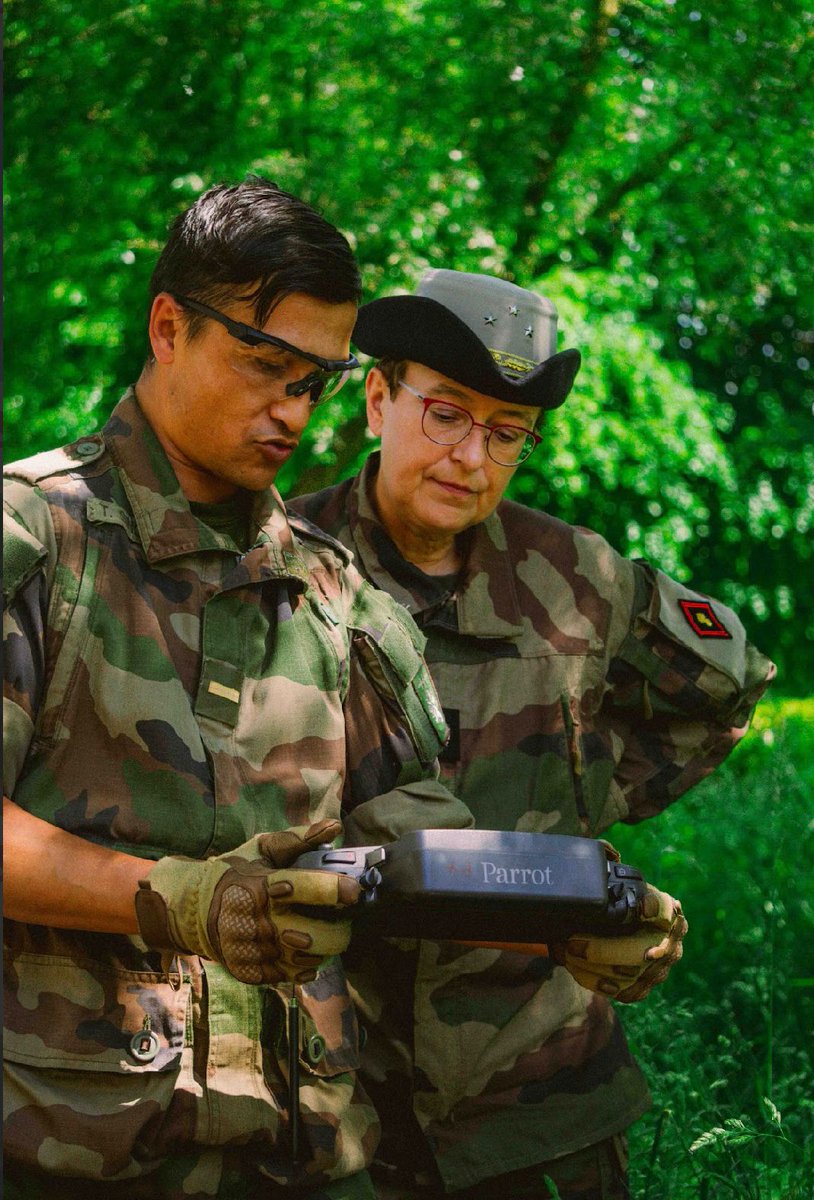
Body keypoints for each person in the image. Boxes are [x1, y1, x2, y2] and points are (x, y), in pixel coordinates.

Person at [2, 183, 471, 1200]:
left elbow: (412, 839)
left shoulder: (335, 590)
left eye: (321, 382)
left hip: (307, 1152)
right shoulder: (39, 541)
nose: (295, 410)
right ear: (169, 326)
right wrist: (171, 896)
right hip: (68, 1153)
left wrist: (569, 905)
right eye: (267, 365)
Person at [290, 269, 776, 1199]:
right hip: (331, 1106)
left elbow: (728, 685)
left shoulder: (578, 577)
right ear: (380, 400)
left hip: (541, 1101)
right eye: (446, 415)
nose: (471, 455)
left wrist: (596, 791)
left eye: (506, 433)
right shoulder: (278, 565)